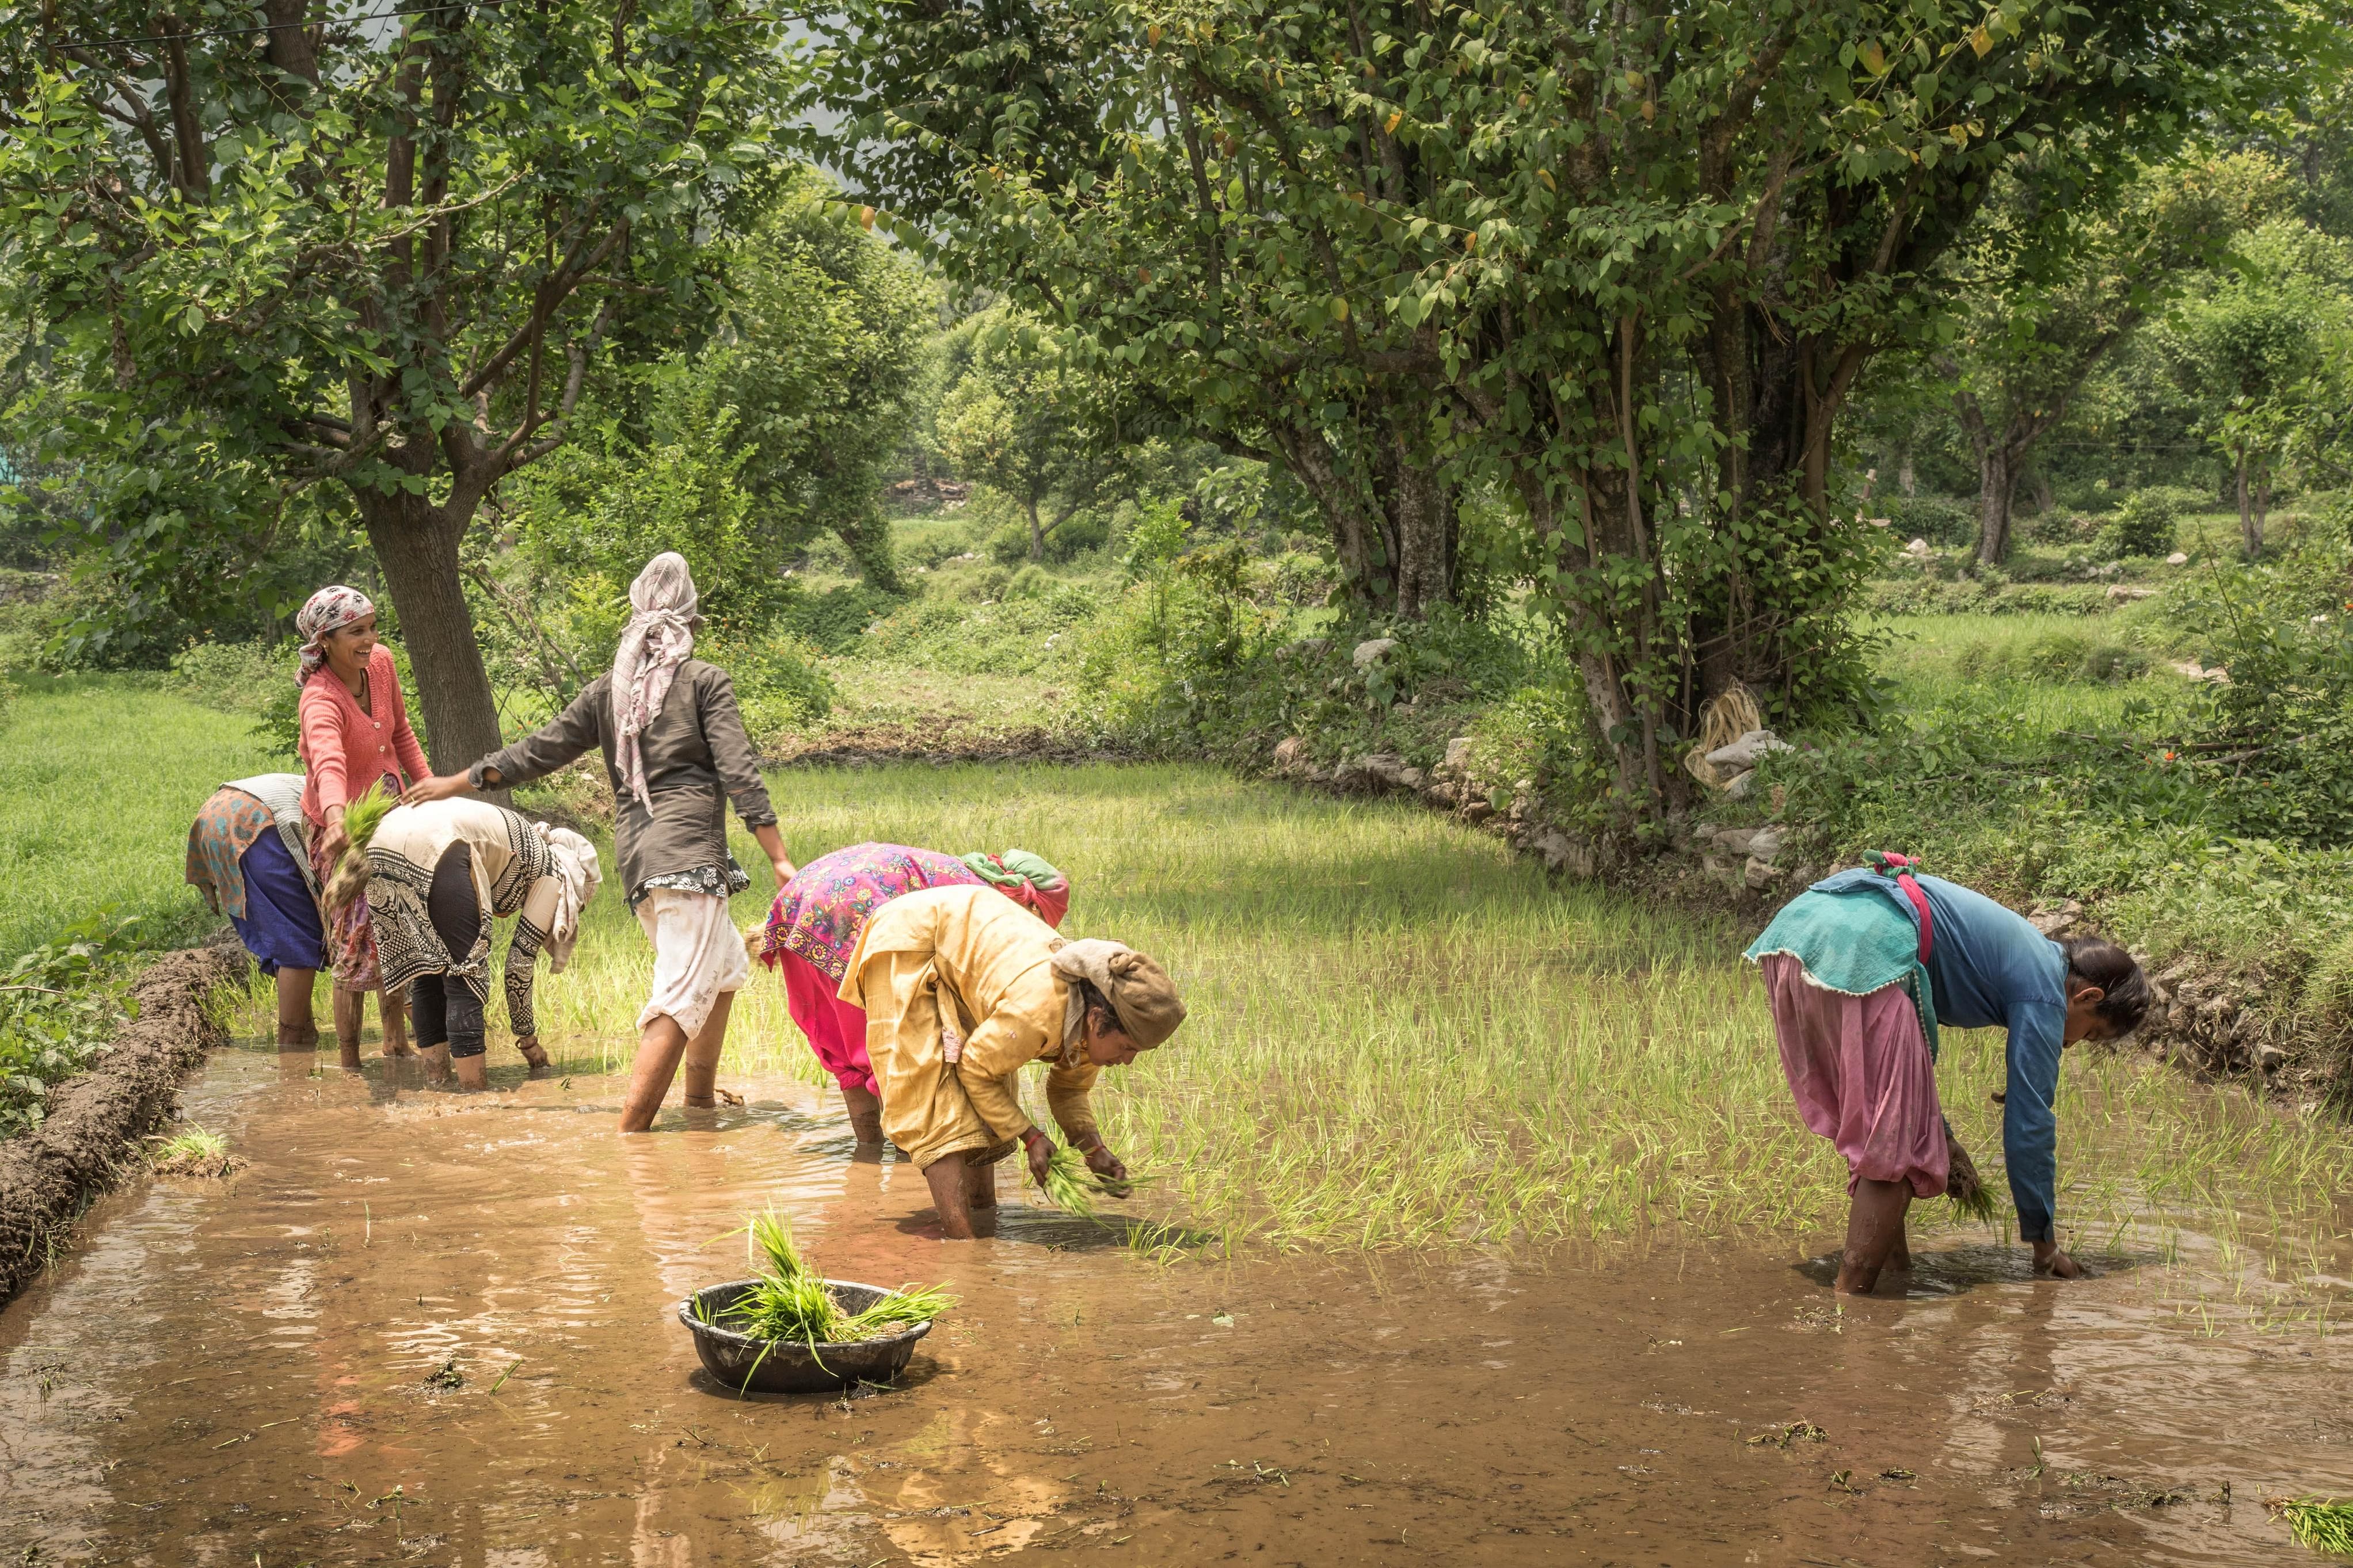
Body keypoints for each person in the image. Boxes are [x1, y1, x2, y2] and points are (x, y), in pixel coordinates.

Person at [406, 553, 794, 1130]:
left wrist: (457, 780)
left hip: (640, 859)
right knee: (681, 997)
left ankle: (698, 1104)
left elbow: (536, 751)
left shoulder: (608, 693)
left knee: (725, 969)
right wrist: (780, 859)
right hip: (686, 859)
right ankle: (630, 1138)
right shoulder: (703, 682)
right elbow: (740, 773)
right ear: (691, 619)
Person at [1745, 853, 2151, 1295]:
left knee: (1888, 1131)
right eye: (2088, 1034)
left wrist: (1943, 1133)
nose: (2069, 1045)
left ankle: (1890, 1278)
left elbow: (1908, 1060)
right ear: (2088, 996)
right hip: (1864, 947)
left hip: (1802, 934)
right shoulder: (2046, 990)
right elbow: (2030, 1125)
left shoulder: (2025, 952)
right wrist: (2045, 1245)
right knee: (1896, 1155)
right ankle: (1853, 1312)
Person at [840, 882, 1184, 1239]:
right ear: (1098, 1021)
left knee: (994, 1096)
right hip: (910, 940)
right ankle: (965, 1248)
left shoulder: (1093, 1010)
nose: (1127, 1061)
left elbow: (1068, 1088)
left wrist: (1092, 1149)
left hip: (964, 938)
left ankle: (985, 1216)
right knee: (935, 1104)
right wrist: (1031, 1138)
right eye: (1127, 1048)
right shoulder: (1040, 1010)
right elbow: (975, 1068)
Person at [759, 844, 1072, 1144]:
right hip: (854, 910)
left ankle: (869, 1154)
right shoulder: (987, 905)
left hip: (795, 905)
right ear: (1031, 907)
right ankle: (909, 1164)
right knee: (895, 1054)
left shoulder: (954, 873)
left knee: (845, 1053)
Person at [337, 797, 601, 1089]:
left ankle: (437, 1087)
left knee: (428, 972)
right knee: (463, 975)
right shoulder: (553, 873)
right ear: (575, 880)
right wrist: (529, 1043)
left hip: (381, 843)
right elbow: (518, 967)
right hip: (440, 843)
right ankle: (473, 1095)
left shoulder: (529, 843)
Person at [295, 585, 428, 1068]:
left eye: (372, 626)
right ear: (326, 640)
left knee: (398, 924)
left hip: (394, 814)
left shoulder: (383, 663)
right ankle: (350, 1062)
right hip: (343, 830)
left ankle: (396, 1040)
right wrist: (335, 820)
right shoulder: (320, 697)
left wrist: (431, 790)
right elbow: (327, 761)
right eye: (357, 631)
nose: (370, 639)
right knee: (355, 941)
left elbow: (400, 734)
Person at [185, 773, 326, 1047]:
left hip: (218, 812)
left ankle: (305, 1033)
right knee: (296, 943)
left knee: (285, 935)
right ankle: (293, 1047)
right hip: (255, 821)